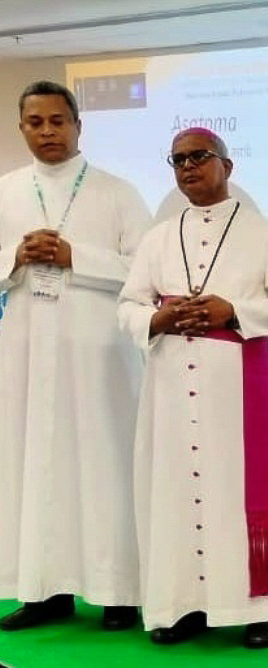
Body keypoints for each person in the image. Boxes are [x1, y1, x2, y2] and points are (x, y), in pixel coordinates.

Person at [117, 128, 268, 648]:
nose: (188, 167)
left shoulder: (266, 233)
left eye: (199, 157)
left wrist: (234, 310)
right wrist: (160, 317)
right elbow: (129, 305)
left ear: (227, 165)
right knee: (176, 490)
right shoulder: (157, 236)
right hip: (172, 382)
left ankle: (258, 607)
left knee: (236, 490)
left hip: (239, 384)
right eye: (177, 160)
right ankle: (182, 606)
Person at [0, 80, 150, 632]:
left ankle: (118, 593)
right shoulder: (6, 190)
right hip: (25, 353)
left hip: (101, 356)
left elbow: (146, 271)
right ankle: (42, 591)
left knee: (105, 465)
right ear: (22, 129)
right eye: (35, 123)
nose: (47, 132)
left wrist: (74, 255)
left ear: (78, 125)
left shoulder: (118, 192)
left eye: (57, 121)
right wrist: (15, 256)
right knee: (34, 465)